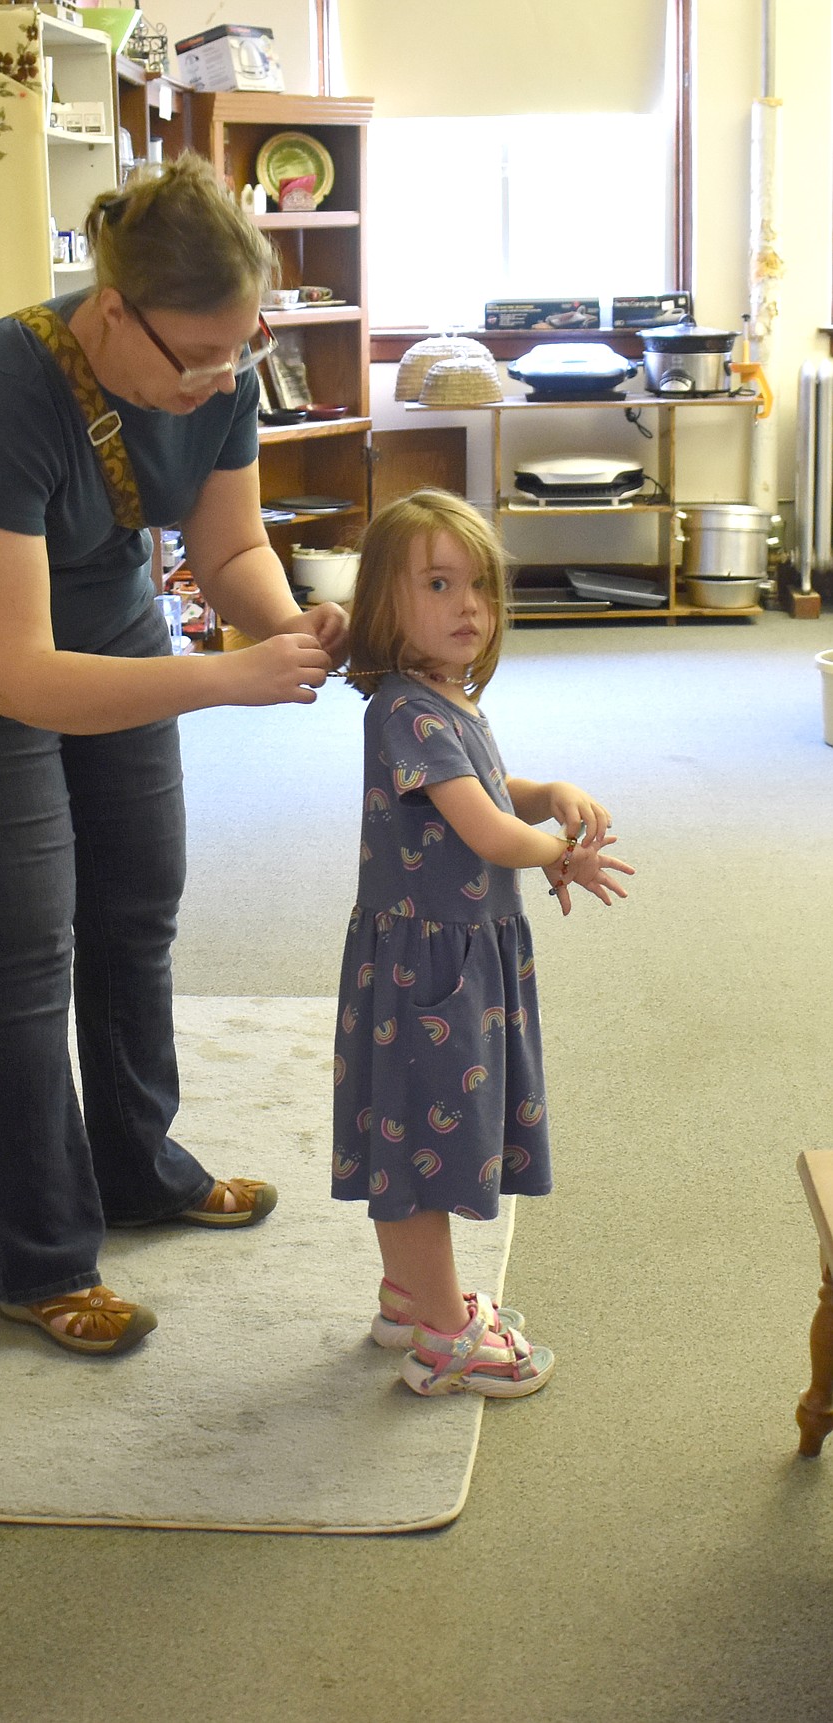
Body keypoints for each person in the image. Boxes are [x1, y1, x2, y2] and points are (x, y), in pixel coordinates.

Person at [0, 155, 348, 1358]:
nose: (222, 379)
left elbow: (229, 550)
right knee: (29, 946)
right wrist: (229, 676)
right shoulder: (11, 377)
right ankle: (43, 1261)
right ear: (114, 311)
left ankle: (140, 1172)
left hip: (112, 616)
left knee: (137, 908)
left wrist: (283, 625)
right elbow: (16, 673)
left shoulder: (217, 365)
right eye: (199, 359)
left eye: (241, 352)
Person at [332, 489, 634, 1397]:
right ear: (386, 607)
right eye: (437, 583)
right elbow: (488, 833)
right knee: (425, 1145)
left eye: (480, 586)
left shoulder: (441, 700)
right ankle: (442, 1331)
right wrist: (561, 853)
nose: (469, 606)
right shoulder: (405, 712)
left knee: (423, 1130)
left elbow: (498, 790)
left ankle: (406, 1293)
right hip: (432, 966)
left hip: (456, 953)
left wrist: (551, 795)